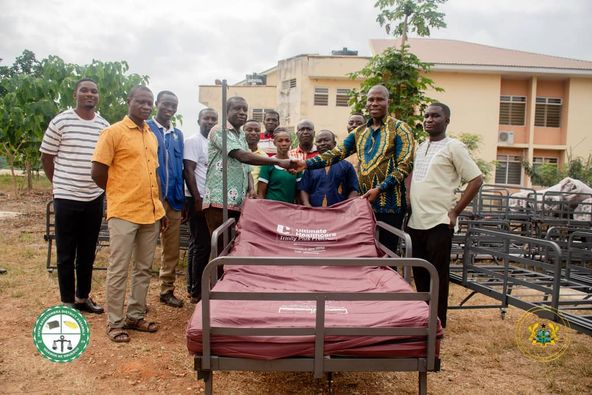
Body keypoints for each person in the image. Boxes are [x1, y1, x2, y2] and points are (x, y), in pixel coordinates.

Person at [293, 85, 415, 253]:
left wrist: (380, 188)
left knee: (387, 253)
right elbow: (336, 153)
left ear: (389, 102)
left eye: (379, 99)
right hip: (364, 204)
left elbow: (405, 165)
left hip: (390, 204)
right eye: (371, 100)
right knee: (364, 252)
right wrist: (307, 164)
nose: (374, 103)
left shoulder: (401, 128)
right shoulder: (360, 132)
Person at [91, 85, 166, 343]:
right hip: (123, 211)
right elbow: (98, 171)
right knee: (119, 267)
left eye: (149, 103)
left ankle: (135, 315)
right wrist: (118, 193)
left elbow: (154, 174)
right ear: (129, 101)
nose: (146, 107)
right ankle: (115, 321)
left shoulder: (151, 136)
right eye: (141, 102)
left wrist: (160, 206)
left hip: (150, 211)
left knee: (144, 268)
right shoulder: (113, 132)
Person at [407, 103, 483, 329]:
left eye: (435, 116)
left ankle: (437, 323)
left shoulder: (454, 147)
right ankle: (423, 318)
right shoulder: (420, 147)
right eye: (427, 116)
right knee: (419, 274)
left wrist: (455, 211)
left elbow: (476, 179)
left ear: (447, 120)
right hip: (416, 222)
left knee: (437, 276)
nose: (429, 120)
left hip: (439, 222)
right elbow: (413, 174)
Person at [40, 78, 109, 314]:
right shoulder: (61, 121)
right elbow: (47, 157)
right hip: (66, 196)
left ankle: (83, 298)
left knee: (88, 251)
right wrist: (59, 183)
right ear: (75, 94)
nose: (90, 94)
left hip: (94, 197)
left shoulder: (104, 126)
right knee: (66, 252)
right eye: (85, 91)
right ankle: (67, 301)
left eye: (94, 91)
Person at [203, 97, 294, 234]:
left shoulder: (240, 136)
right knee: (220, 247)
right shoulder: (219, 130)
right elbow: (242, 156)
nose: (242, 112)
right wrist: (278, 161)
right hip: (219, 201)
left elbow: (247, 168)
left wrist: (251, 189)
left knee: (233, 248)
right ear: (226, 111)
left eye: (245, 110)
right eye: (237, 109)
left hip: (239, 203)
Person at [146, 91, 185, 308]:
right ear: (157, 104)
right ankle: (138, 295)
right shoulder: (147, 129)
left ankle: (166, 289)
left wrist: (183, 199)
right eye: (166, 104)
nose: (169, 108)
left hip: (174, 199)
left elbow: (180, 168)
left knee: (171, 248)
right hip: (151, 199)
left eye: (174, 104)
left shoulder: (177, 134)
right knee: (146, 246)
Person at [183, 107, 218, 303]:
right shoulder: (193, 141)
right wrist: (196, 199)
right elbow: (189, 170)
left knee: (202, 244)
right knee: (201, 244)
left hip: (211, 199)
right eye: (207, 118)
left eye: (214, 119)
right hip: (198, 198)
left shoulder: (213, 142)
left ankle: (196, 286)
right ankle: (196, 291)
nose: (210, 122)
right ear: (199, 120)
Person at [298, 130, 359, 207]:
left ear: (334, 144)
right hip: (315, 212)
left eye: (326, 140)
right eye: (319, 141)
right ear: (316, 145)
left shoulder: (347, 166)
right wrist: (307, 204)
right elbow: (304, 189)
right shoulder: (311, 166)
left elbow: (354, 189)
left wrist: (348, 205)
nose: (323, 143)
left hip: (340, 212)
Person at [257, 128, 301, 203]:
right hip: (271, 208)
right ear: (274, 143)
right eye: (280, 141)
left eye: (287, 140)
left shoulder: (295, 163)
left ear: (291, 143)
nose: (284, 143)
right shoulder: (268, 163)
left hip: (290, 208)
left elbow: (299, 192)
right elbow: (261, 193)